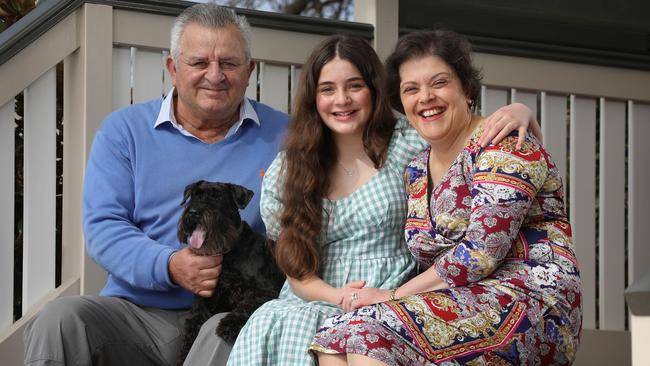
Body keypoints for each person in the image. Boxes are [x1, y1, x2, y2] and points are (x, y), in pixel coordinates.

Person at [227, 34, 540, 366]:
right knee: (278, 320)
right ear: (313, 98)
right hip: (315, 296)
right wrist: (338, 296)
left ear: (374, 90)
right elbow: (297, 272)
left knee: (344, 332)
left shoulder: (408, 144)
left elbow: (463, 133)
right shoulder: (291, 169)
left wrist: (519, 111)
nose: (342, 100)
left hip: (392, 294)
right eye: (328, 89)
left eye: (354, 86)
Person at [23, 3, 288, 366]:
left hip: (227, 307)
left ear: (249, 71)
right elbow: (104, 227)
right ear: (172, 69)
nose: (215, 75)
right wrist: (168, 265)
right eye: (199, 63)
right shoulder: (124, 131)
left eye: (228, 63)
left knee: (230, 328)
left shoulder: (285, 135)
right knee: (60, 320)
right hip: (137, 311)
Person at [310, 29, 582, 366]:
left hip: (530, 303)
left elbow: (480, 254)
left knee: (371, 329)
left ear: (466, 88)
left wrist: (391, 297)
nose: (425, 97)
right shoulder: (417, 170)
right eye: (411, 89)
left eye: (439, 83)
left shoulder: (504, 145)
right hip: (457, 301)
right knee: (335, 333)